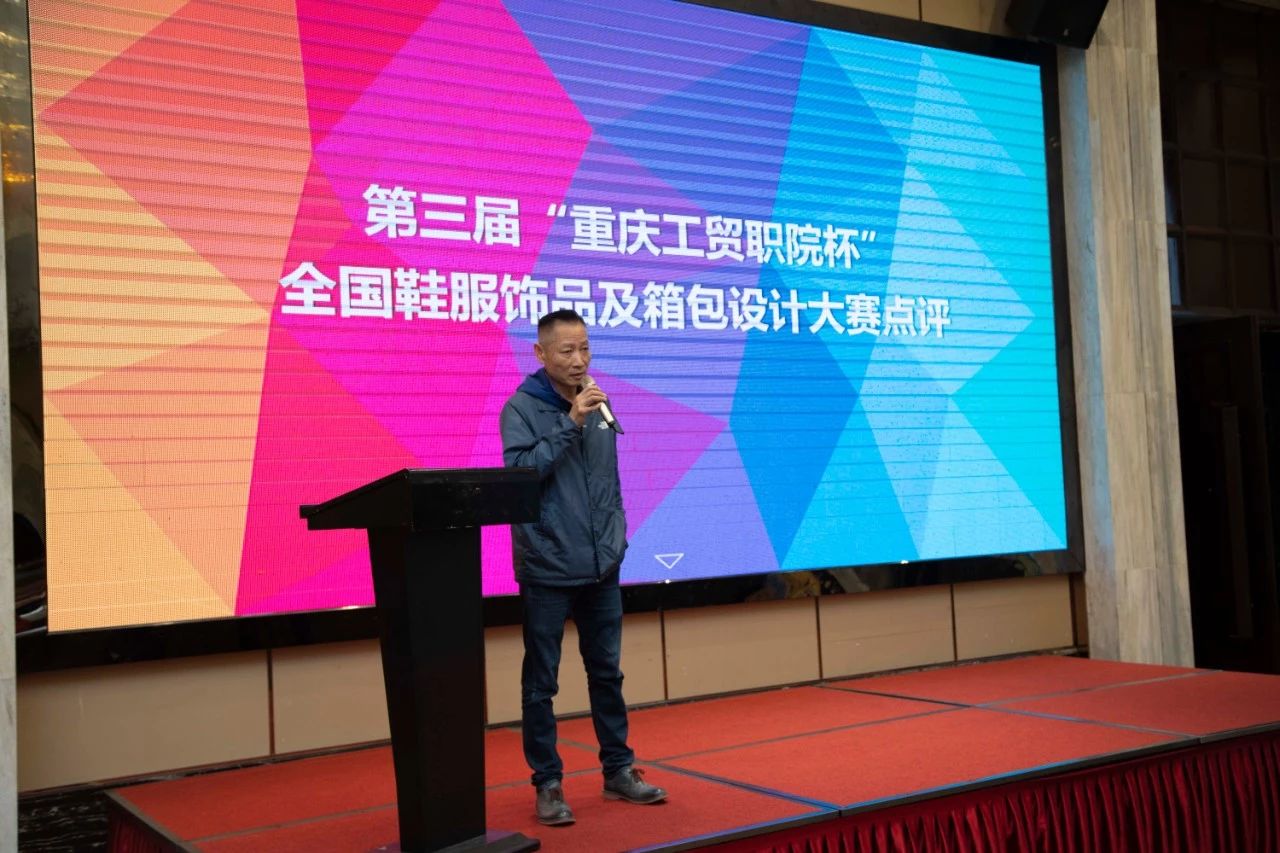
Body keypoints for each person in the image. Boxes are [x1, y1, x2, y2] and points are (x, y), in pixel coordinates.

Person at [500, 309, 667, 826]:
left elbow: (605, 482)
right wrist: (570, 424)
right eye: (568, 350)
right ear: (541, 353)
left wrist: (615, 539)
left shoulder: (598, 402)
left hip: (601, 566)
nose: (579, 360)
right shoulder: (521, 407)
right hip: (548, 566)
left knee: (607, 673)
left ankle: (618, 770)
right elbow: (520, 474)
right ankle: (548, 783)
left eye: (586, 348)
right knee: (541, 684)